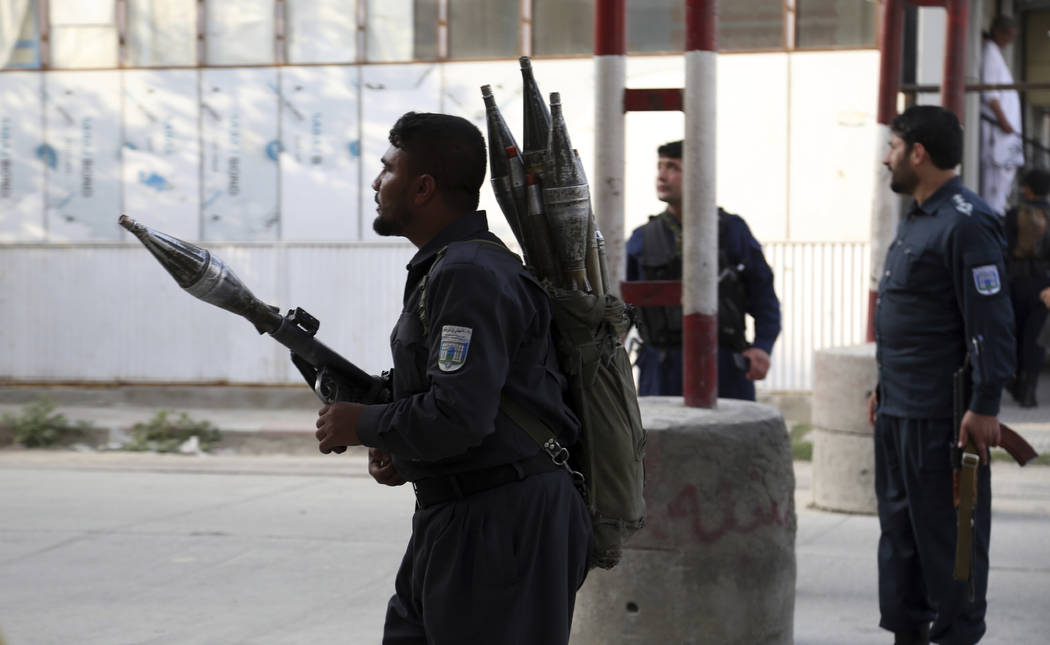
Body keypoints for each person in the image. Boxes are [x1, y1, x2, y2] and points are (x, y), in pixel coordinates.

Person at [313, 112, 591, 644]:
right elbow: (460, 400)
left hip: (503, 520)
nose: (376, 183)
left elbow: (459, 415)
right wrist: (402, 447)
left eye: (387, 170)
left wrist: (363, 423)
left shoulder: (469, 274)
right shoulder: (446, 268)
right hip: (458, 511)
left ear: (422, 188)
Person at [866, 105, 1015, 645]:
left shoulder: (966, 222)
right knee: (900, 543)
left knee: (952, 548)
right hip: (898, 412)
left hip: (942, 423)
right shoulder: (921, 217)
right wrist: (882, 389)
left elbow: (991, 321)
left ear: (917, 153)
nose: (887, 159)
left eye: (893, 146)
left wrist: (987, 403)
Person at [625, 139, 781, 401]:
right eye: (660, 167)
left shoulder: (732, 231)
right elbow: (621, 306)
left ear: (699, 174)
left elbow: (764, 296)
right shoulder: (642, 239)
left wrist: (762, 347)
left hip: (724, 365)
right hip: (660, 369)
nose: (662, 176)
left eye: (673, 167)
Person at [1004, 167, 1050, 407]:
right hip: (1045, 286)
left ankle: (1015, 382)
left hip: (1017, 283)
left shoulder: (1014, 215)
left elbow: (1003, 250)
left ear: (1028, 189)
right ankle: (1029, 389)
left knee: (1015, 332)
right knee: (1036, 337)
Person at [980, 15, 1025, 215]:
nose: (1010, 40)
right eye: (1008, 35)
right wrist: (1004, 121)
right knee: (994, 185)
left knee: (1004, 182)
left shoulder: (996, 53)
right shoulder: (990, 52)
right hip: (998, 130)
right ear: (998, 32)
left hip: (1006, 132)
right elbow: (991, 94)